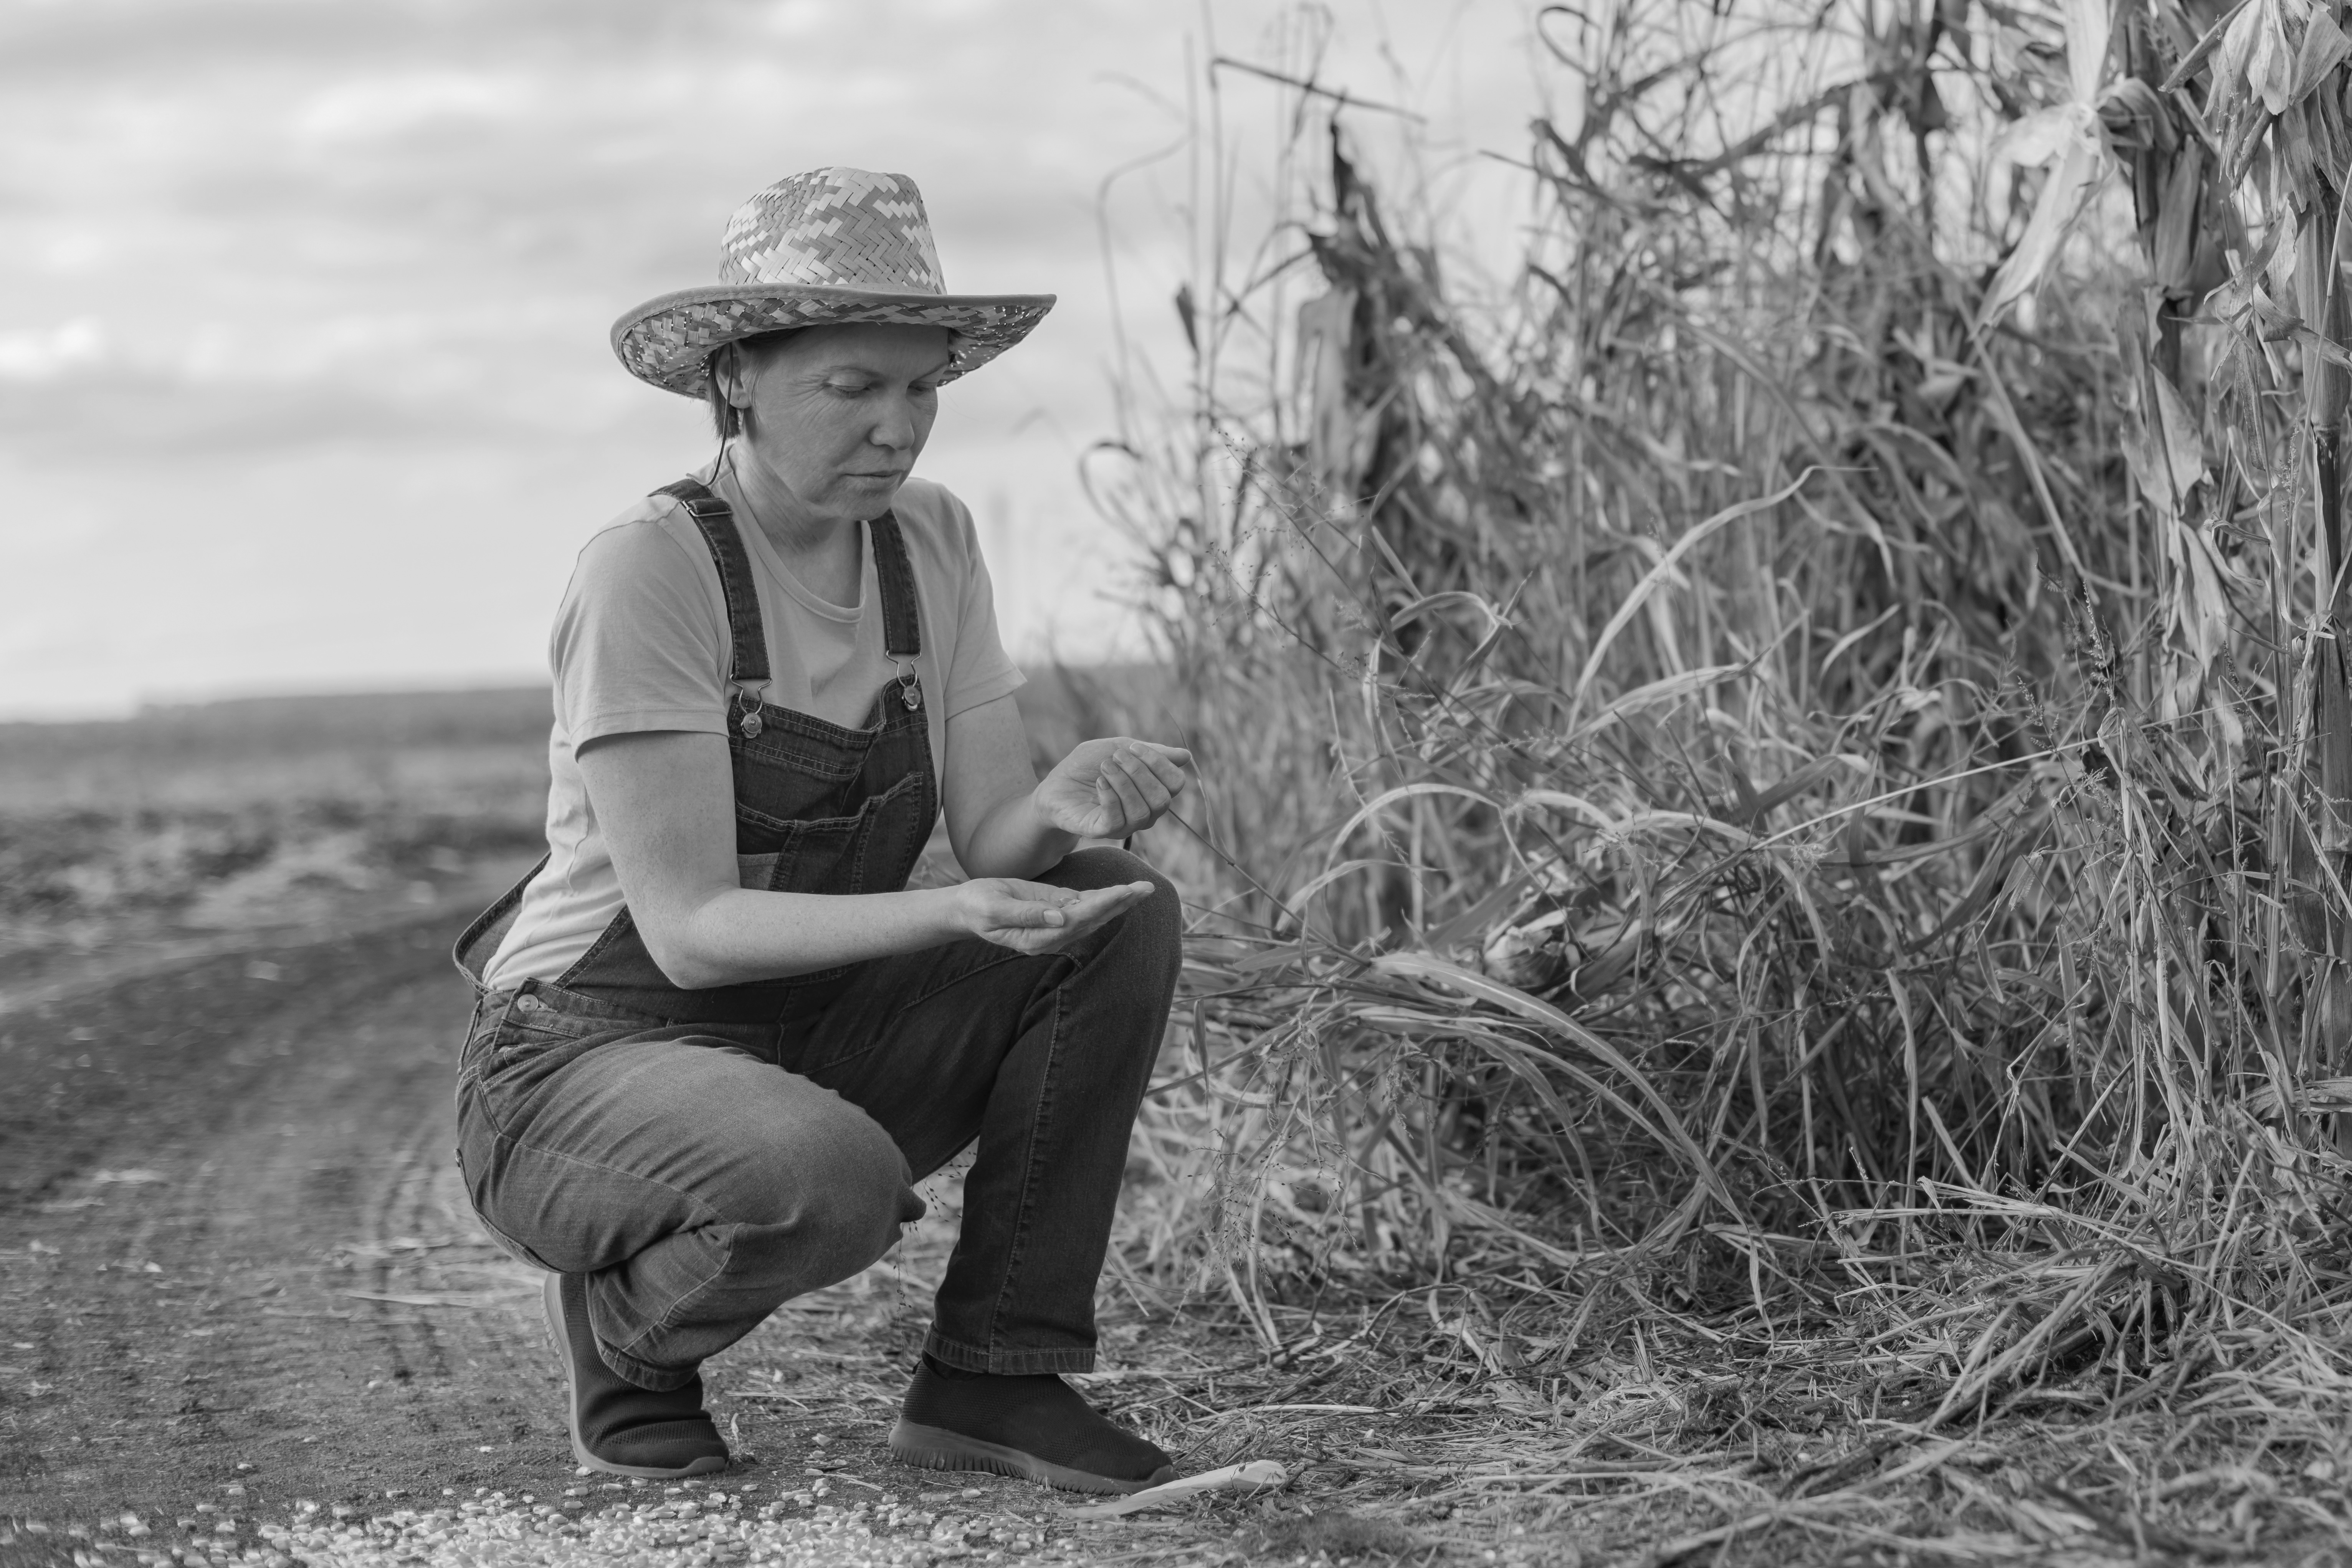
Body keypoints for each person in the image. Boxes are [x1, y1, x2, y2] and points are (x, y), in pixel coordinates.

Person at [449, 167, 1194, 1495]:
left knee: (1113, 907)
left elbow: (998, 842)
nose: (898, 428)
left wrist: (1062, 804)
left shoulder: (932, 540)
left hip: (800, 1027)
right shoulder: (652, 568)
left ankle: (994, 1379)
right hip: (582, 1059)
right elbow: (685, 931)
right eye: (854, 388)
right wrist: (951, 912)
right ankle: (630, 1335)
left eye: (921, 388)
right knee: (826, 1178)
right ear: (736, 375)